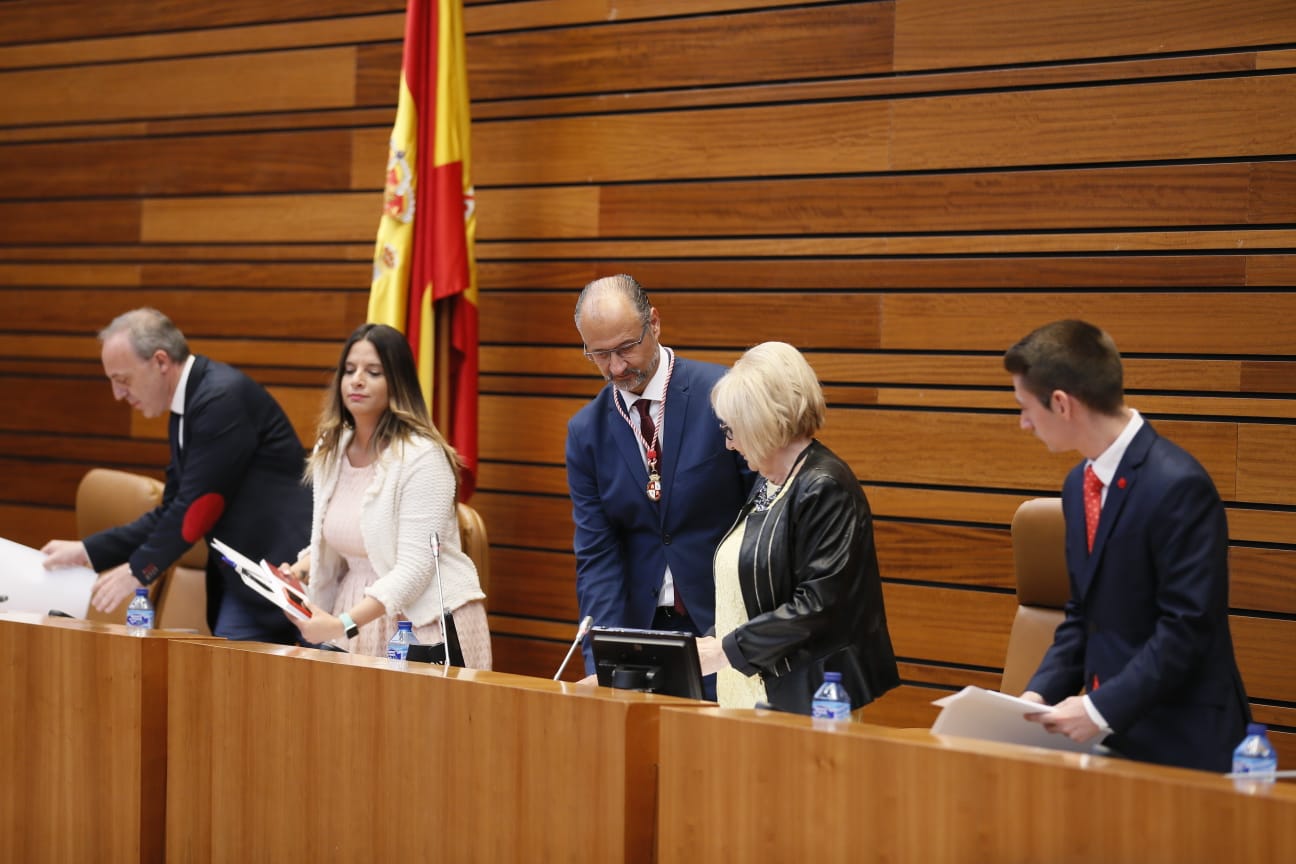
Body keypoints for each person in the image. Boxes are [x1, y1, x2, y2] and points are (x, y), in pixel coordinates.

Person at [1004, 319, 1250, 771]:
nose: (1023, 424)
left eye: (1024, 407)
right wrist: (1036, 697)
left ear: (1061, 404)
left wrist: (1098, 709)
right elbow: (1083, 614)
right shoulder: (1080, 483)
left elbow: (1187, 627)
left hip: (1182, 741)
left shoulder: (1179, 485)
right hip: (1116, 736)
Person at [41, 308, 311, 643]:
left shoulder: (220, 400)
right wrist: (87, 551)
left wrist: (139, 570)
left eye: (122, 380)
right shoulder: (189, 408)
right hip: (247, 583)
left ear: (160, 361)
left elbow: (198, 508)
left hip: (287, 578)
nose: (117, 395)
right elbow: (170, 511)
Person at [694, 342, 899, 715]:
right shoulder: (772, 481)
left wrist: (726, 650)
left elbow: (821, 606)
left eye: (731, 429)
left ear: (759, 422)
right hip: (752, 687)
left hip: (811, 699)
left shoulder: (825, 485)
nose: (729, 443)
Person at [565, 275, 755, 677]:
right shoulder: (586, 433)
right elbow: (597, 557)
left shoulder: (722, 396)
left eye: (625, 348)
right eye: (599, 355)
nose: (616, 367)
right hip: (643, 634)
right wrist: (604, 659)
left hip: (726, 626)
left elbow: (762, 513)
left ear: (654, 323)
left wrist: (748, 635)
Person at [287, 323, 491, 667]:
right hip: (353, 615)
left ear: (397, 382)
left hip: (421, 625)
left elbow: (414, 569)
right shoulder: (331, 448)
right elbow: (348, 539)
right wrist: (300, 570)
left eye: (373, 372)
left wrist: (342, 624)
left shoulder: (422, 456)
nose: (357, 380)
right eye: (349, 371)